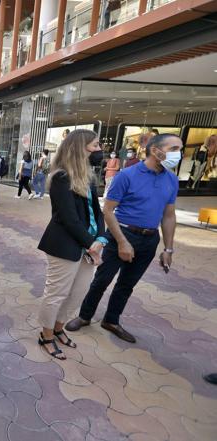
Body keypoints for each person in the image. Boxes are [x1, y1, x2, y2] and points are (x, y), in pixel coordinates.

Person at [66, 134, 182, 343]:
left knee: (127, 284)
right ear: (155, 149)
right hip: (121, 233)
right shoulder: (127, 175)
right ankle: (84, 316)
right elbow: (108, 211)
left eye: (179, 149)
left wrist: (169, 249)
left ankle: (111, 320)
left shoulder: (172, 179)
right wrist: (122, 242)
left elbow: (169, 215)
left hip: (149, 239)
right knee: (102, 280)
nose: (178, 154)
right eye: (173, 148)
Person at [37, 129, 106, 360]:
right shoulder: (61, 177)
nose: (99, 150)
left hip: (88, 245)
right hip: (64, 245)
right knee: (57, 293)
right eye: (95, 145)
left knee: (77, 293)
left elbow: (97, 212)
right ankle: (46, 336)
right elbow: (68, 218)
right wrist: (92, 244)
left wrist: (102, 238)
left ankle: (59, 328)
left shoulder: (87, 175)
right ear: (80, 147)